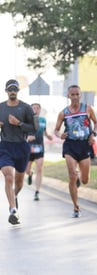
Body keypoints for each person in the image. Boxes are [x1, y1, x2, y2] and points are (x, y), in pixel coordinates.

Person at [54, 85, 97, 218]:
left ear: (80, 95)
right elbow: (56, 130)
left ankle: (80, 177)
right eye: (72, 94)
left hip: (84, 145)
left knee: (84, 180)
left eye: (77, 94)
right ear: (68, 96)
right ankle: (75, 207)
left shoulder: (88, 109)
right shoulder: (63, 113)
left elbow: (96, 123)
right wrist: (59, 135)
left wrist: (93, 134)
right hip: (70, 146)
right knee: (72, 176)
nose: (74, 97)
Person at [0, 79, 39, 225]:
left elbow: (34, 128)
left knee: (19, 181)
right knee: (8, 176)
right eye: (10, 89)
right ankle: (13, 211)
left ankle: (14, 196)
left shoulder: (26, 108)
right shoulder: (1, 107)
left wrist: (19, 124)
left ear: (18, 91)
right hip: (5, 147)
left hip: (22, 147)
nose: (12, 92)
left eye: (14, 89)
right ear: (6, 91)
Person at [25, 103, 53, 201]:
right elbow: (22, 133)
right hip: (29, 148)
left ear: (40, 110)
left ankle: (37, 191)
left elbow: (45, 132)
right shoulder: (27, 120)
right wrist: (27, 138)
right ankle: (30, 174)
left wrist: (49, 136)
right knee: (26, 170)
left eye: (38, 108)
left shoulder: (43, 120)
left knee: (40, 168)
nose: (36, 109)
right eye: (34, 108)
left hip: (40, 148)